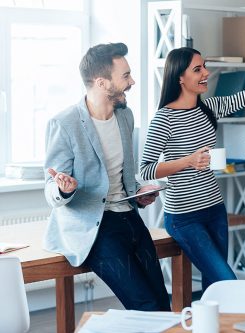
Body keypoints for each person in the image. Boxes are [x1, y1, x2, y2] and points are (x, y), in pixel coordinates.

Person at [140, 19, 245, 291]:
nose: (206, 74)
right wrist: (188, 161)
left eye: (205, 67)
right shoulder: (164, 118)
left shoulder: (210, 107)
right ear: (180, 77)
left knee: (216, 286)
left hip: (214, 209)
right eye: (198, 69)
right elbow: (146, 170)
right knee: (227, 281)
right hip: (184, 217)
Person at [44, 42, 171, 311]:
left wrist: (140, 192)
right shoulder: (64, 123)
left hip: (129, 216)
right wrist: (64, 189)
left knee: (161, 301)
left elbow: (123, 176)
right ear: (101, 82)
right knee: (146, 304)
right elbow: (51, 188)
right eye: (125, 76)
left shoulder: (125, 117)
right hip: (96, 227)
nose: (132, 81)